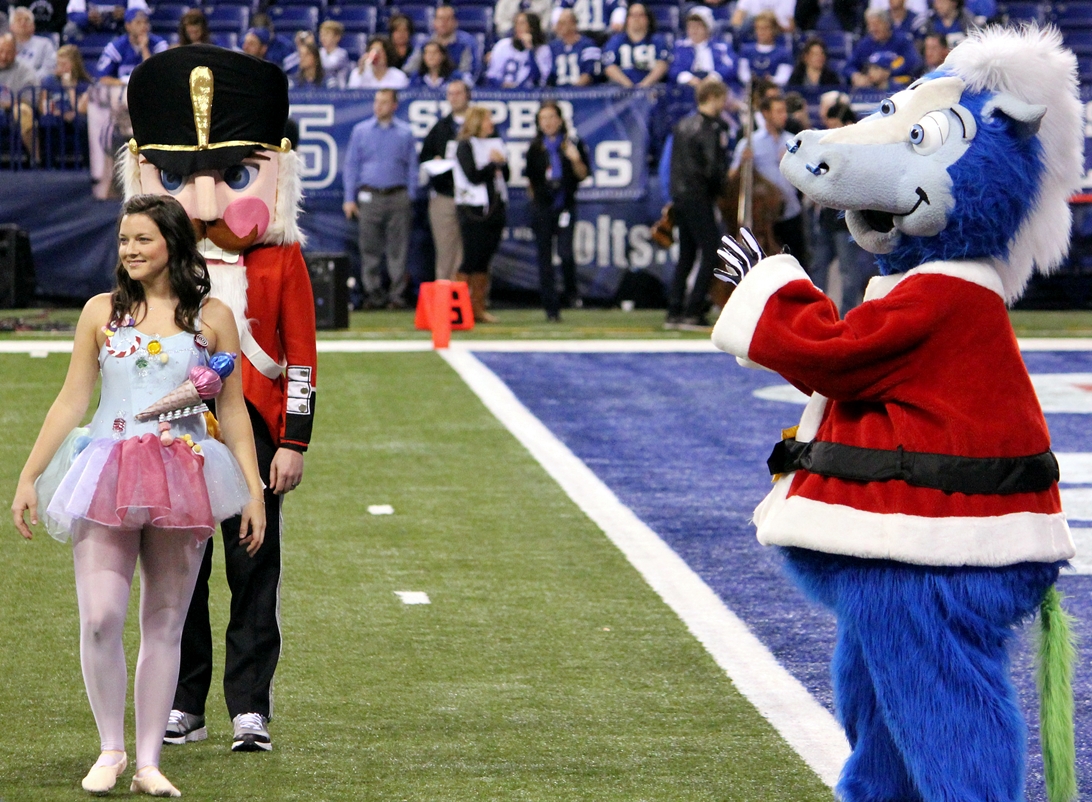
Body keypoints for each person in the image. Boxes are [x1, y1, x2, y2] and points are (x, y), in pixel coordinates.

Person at [12, 193, 266, 797]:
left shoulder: (212, 320)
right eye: (124, 239)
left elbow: (231, 414)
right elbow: (73, 398)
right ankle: (111, 749)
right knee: (100, 617)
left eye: (143, 239)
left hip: (185, 473)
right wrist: (29, 473)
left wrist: (252, 492)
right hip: (105, 472)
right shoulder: (100, 312)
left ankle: (149, 761)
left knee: (165, 621)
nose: (129, 249)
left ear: (173, 244)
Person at [121, 44, 318, 755]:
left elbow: (301, 356)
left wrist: (293, 441)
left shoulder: (282, 256)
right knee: (180, 570)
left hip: (255, 429)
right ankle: (184, 703)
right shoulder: (155, 258)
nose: (204, 198)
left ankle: (249, 707)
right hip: (174, 432)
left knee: (252, 567)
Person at [342, 88, 418, 309]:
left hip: (398, 195)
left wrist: (410, 195)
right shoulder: (361, 131)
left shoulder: (405, 133)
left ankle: (396, 296)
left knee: (398, 249)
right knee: (369, 249)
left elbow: (413, 166)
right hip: (369, 196)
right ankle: (373, 295)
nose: (379, 106)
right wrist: (349, 197)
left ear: (395, 105)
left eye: (384, 102)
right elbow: (352, 165)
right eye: (377, 101)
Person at [665, 77, 730, 330]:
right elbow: (712, 167)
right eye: (722, 99)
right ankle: (693, 310)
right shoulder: (711, 128)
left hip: (680, 196)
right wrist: (720, 189)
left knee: (686, 255)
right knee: (711, 251)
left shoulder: (682, 125)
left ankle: (674, 310)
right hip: (698, 195)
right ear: (713, 97)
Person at [805, 102, 874, 309]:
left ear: (848, 124)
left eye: (835, 126)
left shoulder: (859, 151)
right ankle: (815, 312)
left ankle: (846, 316)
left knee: (848, 272)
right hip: (827, 219)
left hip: (846, 221)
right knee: (818, 267)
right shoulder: (828, 148)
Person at [526, 100, 590, 321]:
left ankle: (571, 293)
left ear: (560, 120)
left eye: (552, 117)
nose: (548, 122)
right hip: (543, 207)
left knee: (565, 253)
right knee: (544, 258)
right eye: (543, 118)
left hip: (565, 205)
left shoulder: (572, 143)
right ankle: (551, 307)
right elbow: (531, 181)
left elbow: (583, 175)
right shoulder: (535, 147)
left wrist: (575, 160)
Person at [730, 93, 807, 265]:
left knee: (798, 263)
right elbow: (731, 179)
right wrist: (743, 162)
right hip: (764, 218)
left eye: (784, 111)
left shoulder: (793, 141)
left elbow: (808, 176)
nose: (784, 116)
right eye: (779, 112)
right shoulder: (749, 143)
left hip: (791, 212)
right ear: (765, 114)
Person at [453, 105, 509, 323]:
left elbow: (506, 174)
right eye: (487, 119)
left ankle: (477, 306)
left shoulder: (495, 143)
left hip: (494, 206)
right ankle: (458, 307)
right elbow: (473, 176)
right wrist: (492, 164)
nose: (491, 124)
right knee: (471, 257)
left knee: (485, 258)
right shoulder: (465, 146)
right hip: (472, 209)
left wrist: (501, 164)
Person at [419, 78, 470, 281]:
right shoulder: (440, 127)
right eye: (450, 94)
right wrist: (436, 161)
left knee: (471, 251)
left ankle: (471, 300)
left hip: (473, 197)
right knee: (446, 252)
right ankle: (445, 301)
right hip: (445, 194)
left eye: (458, 93)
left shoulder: (478, 124)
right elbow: (424, 157)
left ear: (467, 95)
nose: (454, 97)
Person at [37, 43, 91, 165]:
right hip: (56, 115)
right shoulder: (49, 81)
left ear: (74, 64)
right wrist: (55, 112)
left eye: (64, 64)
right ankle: (49, 164)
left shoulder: (85, 84)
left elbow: (81, 109)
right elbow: (42, 107)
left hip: (75, 116)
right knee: (48, 119)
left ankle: (87, 163)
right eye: (58, 63)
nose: (60, 67)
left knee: (83, 121)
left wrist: (70, 88)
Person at [844, 10, 921, 88]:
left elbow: (914, 63)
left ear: (887, 24)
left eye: (876, 25)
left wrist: (888, 72)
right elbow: (848, 67)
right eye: (870, 25)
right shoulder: (865, 44)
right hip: (870, 88)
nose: (872, 29)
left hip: (898, 87)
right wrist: (856, 75)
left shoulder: (902, 41)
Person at [600, 3, 669, 87]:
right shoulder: (616, 40)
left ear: (648, 19)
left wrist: (644, 85)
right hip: (621, 90)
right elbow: (609, 66)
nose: (636, 19)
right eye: (633, 15)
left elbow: (662, 65)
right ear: (627, 19)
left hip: (652, 89)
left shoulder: (658, 40)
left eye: (641, 15)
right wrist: (629, 86)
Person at [95, 8, 167, 84]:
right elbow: (102, 78)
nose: (143, 26)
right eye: (138, 23)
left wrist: (144, 48)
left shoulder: (159, 44)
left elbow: (157, 77)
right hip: (123, 91)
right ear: (128, 26)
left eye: (146, 22)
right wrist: (126, 84)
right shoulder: (116, 47)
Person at [669, 6, 737, 87]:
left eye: (698, 26)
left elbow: (730, 67)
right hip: (687, 87)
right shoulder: (679, 46)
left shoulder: (721, 47)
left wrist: (713, 77)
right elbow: (673, 68)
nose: (694, 30)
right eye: (690, 26)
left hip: (715, 86)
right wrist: (688, 79)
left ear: (708, 28)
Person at [483, 11, 550, 89]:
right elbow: (491, 76)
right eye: (516, 23)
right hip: (501, 93)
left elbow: (537, 79)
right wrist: (502, 84)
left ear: (532, 27)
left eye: (522, 23)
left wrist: (530, 50)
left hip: (529, 96)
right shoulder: (503, 45)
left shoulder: (543, 50)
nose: (518, 27)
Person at [0, 31, 38, 156]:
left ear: (16, 53)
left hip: (16, 109)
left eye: (9, 52)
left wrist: (5, 104)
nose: (4, 56)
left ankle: (36, 161)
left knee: (23, 111)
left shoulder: (26, 70)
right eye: (1, 51)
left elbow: (28, 99)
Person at [737, 11, 793, 87]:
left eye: (765, 28)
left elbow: (783, 77)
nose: (761, 32)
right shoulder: (746, 50)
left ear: (774, 29)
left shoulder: (783, 53)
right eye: (758, 28)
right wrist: (752, 81)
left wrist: (771, 81)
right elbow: (743, 73)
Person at [427, 4, 481, 83]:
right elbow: (410, 69)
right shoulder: (426, 43)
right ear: (434, 22)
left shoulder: (467, 43)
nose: (443, 23)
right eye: (440, 19)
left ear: (455, 22)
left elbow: (471, 72)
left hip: (458, 87)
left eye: (448, 19)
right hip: (429, 88)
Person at [547, 8, 600, 87]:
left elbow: (589, 74)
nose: (559, 26)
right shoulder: (553, 47)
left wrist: (572, 92)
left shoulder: (588, 45)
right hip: (558, 93)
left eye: (563, 23)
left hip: (582, 93)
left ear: (573, 24)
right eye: (558, 23)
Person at [11, 6, 55, 82]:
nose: (23, 23)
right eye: (18, 20)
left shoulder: (45, 44)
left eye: (27, 20)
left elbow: (50, 68)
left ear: (33, 26)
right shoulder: (4, 45)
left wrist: (29, 79)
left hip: (36, 85)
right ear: (11, 26)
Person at [731, 0, 795, 34]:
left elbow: (791, 26)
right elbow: (736, 20)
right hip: (752, 33)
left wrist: (771, 25)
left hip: (779, 33)